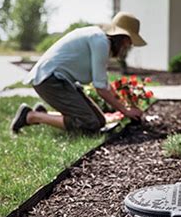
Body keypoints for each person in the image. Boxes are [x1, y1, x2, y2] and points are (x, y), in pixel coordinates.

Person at [10, 11, 146, 134]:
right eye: (129, 40)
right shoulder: (100, 42)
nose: (129, 45)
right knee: (89, 123)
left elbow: (103, 82)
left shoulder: (99, 37)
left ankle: (42, 113)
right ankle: (31, 116)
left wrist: (124, 104)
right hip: (49, 80)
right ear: (122, 37)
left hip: (60, 80)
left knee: (100, 121)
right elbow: (100, 89)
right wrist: (125, 111)